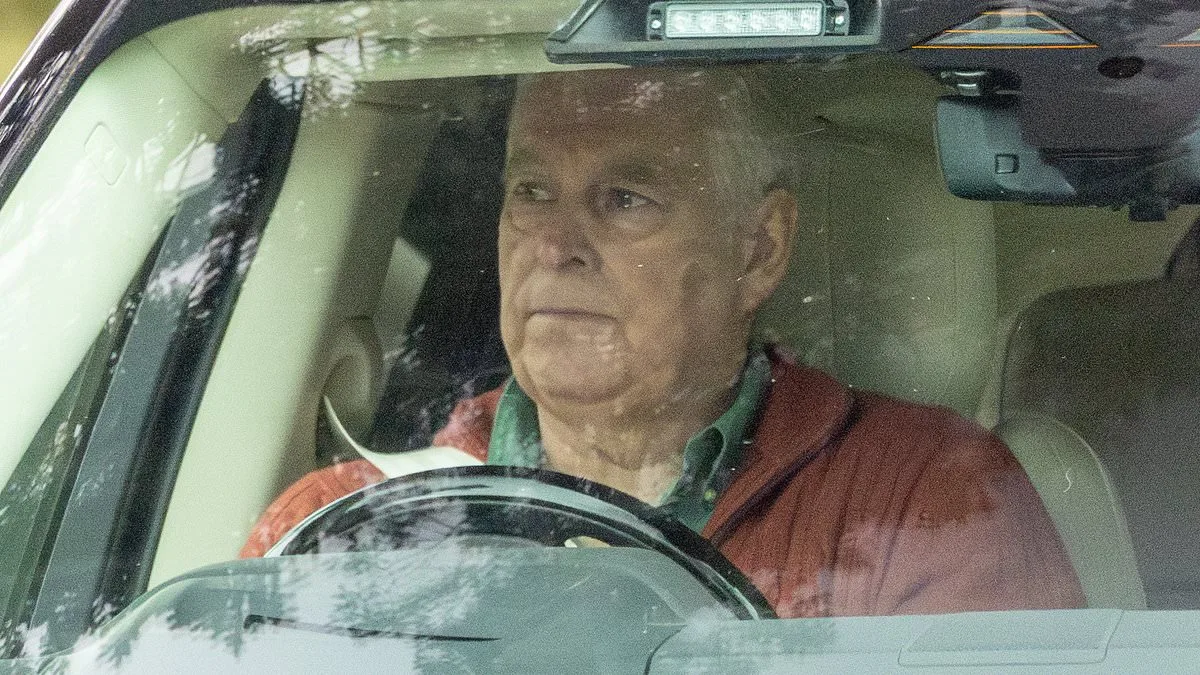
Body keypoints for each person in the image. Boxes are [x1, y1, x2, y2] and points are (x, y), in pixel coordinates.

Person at [241, 66, 1086, 618]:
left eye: (625, 199)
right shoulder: (334, 528)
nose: (555, 245)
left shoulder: (928, 501)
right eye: (531, 191)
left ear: (758, 250)